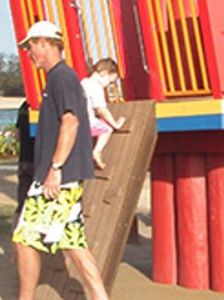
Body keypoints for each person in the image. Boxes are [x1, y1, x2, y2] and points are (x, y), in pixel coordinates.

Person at [12, 21, 109, 300]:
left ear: (44, 42)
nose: (28, 52)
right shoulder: (58, 78)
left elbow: (71, 122)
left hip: (57, 179)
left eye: (30, 46)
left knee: (24, 240)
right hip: (60, 178)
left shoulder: (61, 77)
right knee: (73, 243)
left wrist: (54, 169)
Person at [81, 58, 125, 169]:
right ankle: (97, 151)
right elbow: (100, 109)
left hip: (77, 121)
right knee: (106, 129)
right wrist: (115, 124)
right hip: (87, 123)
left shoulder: (83, 82)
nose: (107, 85)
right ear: (104, 73)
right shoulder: (96, 87)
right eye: (110, 81)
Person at [11, 101, 35, 260]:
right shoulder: (40, 105)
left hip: (24, 161)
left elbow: (17, 134)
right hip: (37, 161)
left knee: (21, 206)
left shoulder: (23, 106)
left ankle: (15, 251)